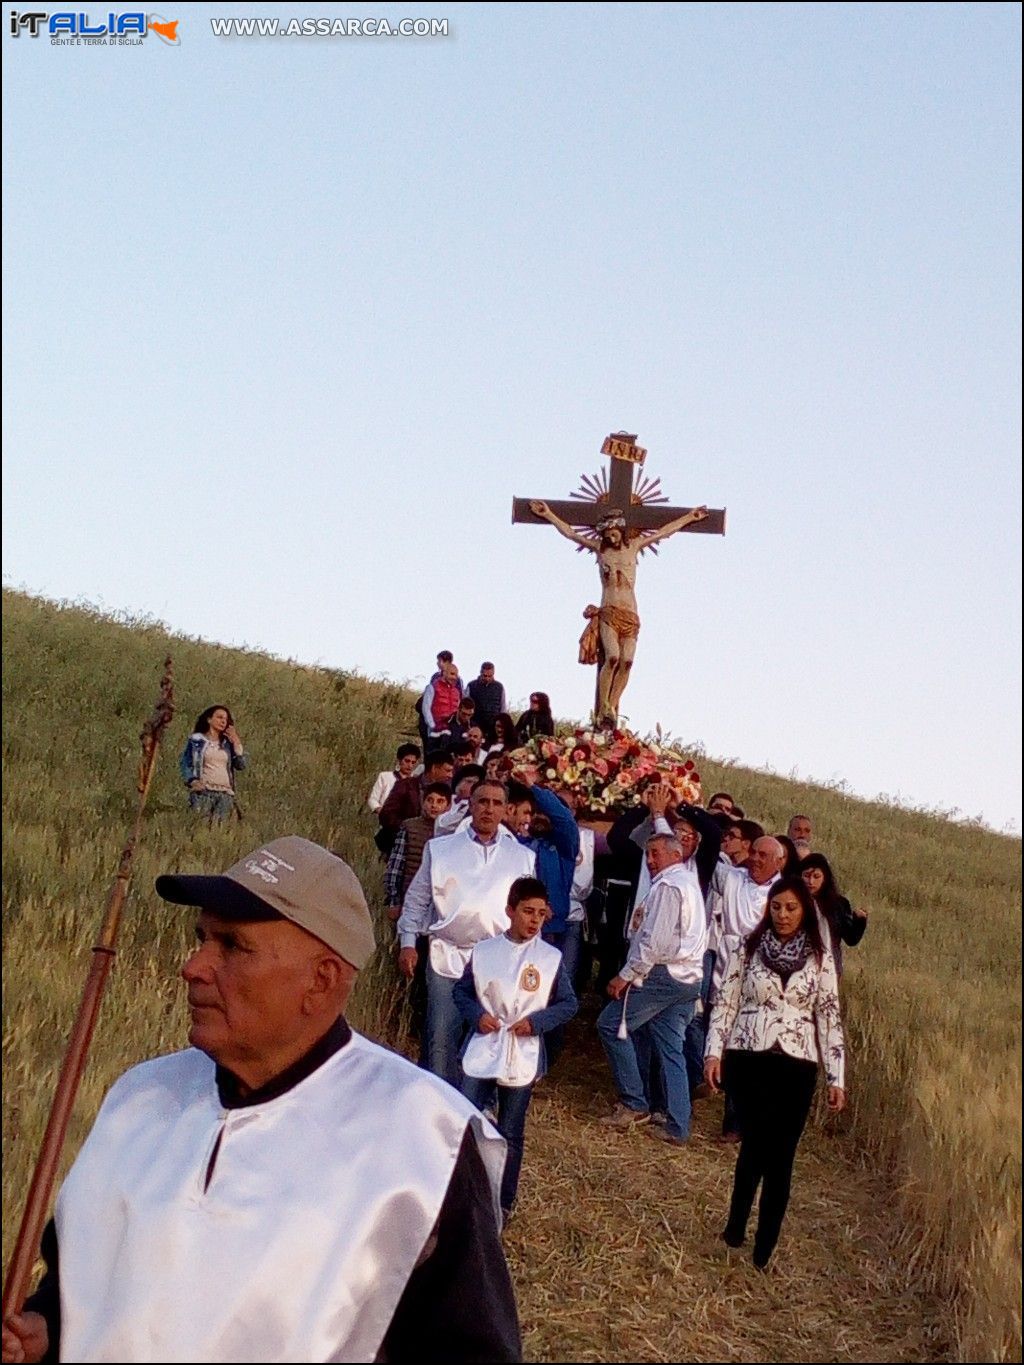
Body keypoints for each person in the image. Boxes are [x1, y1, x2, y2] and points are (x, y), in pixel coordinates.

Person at [2, 837, 521, 1363]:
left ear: (320, 981)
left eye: (231, 946)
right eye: (201, 938)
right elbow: (82, 1281)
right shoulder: (141, 1097)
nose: (194, 966)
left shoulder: (422, 1139)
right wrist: (46, 1331)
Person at [704, 876, 845, 1269]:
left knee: (782, 1155)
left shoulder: (820, 958)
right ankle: (734, 1227)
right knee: (754, 1145)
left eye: (791, 908)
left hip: (797, 1062)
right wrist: (713, 1053)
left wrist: (837, 1077)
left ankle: (764, 1249)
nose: (782, 915)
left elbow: (829, 1015)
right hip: (750, 1055)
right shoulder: (746, 947)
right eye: (776, 907)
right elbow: (725, 1004)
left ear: (805, 911)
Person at [397, 782, 536, 1088]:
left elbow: (529, 911)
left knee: (485, 1039)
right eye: (482, 801)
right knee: (440, 1036)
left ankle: (473, 1106)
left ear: (506, 810)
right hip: (447, 955)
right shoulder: (442, 849)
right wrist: (408, 942)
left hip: (497, 962)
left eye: (496, 803)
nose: (488, 809)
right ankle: (439, 1104)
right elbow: (418, 899)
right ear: (470, 805)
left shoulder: (522, 857)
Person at [455, 878, 577, 1221]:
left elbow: (567, 1004)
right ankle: (460, 1193)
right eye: (527, 911)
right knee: (468, 1121)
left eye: (541, 913)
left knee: (511, 1130)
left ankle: (503, 1202)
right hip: (484, 1046)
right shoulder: (485, 951)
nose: (534, 920)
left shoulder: (550, 959)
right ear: (510, 911)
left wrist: (537, 1023)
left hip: (522, 1052)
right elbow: (463, 993)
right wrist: (477, 1016)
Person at [528, 499, 709, 723]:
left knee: (627, 662)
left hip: (631, 615)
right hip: (609, 612)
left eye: (614, 534)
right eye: (607, 535)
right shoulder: (600, 549)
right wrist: (549, 515)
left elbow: (663, 532)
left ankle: (611, 707)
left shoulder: (634, 546)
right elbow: (572, 534)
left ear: (621, 532)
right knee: (612, 657)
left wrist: (690, 517)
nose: (610, 538)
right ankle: (603, 706)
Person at [596, 834, 707, 1147]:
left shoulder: (670, 887)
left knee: (610, 1025)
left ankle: (634, 1102)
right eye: (648, 854)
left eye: (656, 853)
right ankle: (677, 1123)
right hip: (688, 976)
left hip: (663, 973)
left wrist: (626, 975)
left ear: (676, 854)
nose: (650, 860)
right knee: (670, 1047)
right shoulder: (688, 884)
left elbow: (655, 942)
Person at [706, 835, 787, 1141]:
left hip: (762, 977)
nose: (755, 858)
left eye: (763, 855)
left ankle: (739, 1123)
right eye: (753, 852)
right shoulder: (733, 877)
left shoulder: (785, 894)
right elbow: (703, 856)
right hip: (726, 965)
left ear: (779, 862)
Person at [384, 782, 452, 920]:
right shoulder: (410, 827)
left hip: (441, 903)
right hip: (409, 898)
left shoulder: (452, 832)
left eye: (440, 801)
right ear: (423, 801)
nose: (434, 806)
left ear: (448, 806)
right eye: (430, 800)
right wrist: (394, 900)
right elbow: (395, 867)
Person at [377, 749, 455, 856]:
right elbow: (386, 815)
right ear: (434, 768)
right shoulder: (406, 786)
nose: (450, 775)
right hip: (403, 847)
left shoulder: (448, 792)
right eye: (447, 770)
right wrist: (409, 829)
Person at [801, 852, 868, 975]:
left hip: (829, 968)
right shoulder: (793, 901)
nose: (811, 881)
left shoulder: (839, 904)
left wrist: (859, 921)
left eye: (816, 877)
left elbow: (851, 939)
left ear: (825, 878)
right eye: (806, 876)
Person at [179, 705, 248, 821]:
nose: (223, 721)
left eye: (225, 719)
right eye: (219, 717)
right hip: (204, 792)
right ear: (209, 719)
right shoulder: (196, 740)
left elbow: (241, 765)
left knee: (221, 830)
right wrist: (192, 780)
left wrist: (236, 742)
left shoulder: (227, 744)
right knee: (201, 827)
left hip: (225, 794)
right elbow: (185, 762)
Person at [367, 742, 421, 814]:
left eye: (413, 762)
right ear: (399, 760)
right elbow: (373, 799)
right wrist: (382, 812)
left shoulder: (417, 781)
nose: (410, 765)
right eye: (407, 761)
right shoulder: (385, 777)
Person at [422, 659, 463, 750]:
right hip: (435, 731)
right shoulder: (432, 687)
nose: (455, 677)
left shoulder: (456, 692)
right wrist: (432, 725)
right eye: (452, 674)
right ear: (444, 673)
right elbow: (426, 708)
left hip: (451, 732)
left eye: (456, 675)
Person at [467, 663, 508, 746]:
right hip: (475, 723)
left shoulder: (499, 687)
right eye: (485, 676)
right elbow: (465, 704)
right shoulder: (471, 686)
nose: (487, 678)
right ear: (481, 673)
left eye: (490, 676)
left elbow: (503, 707)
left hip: (493, 726)